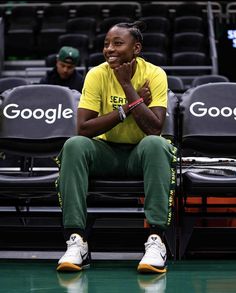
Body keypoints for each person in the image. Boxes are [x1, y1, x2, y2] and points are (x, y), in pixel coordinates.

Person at [55, 21, 177, 274]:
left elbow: (154, 128)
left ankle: (156, 240)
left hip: (140, 155)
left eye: (118, 43)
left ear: (136, 48)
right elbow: (84, 129)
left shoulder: (155, 74)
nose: (109, 49)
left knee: (157, 144)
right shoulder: (97, 74)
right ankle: (77, 240)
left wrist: (127, 86)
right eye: (106, 44)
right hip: (105, 153)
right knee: (74, 145)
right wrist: (130, 106)